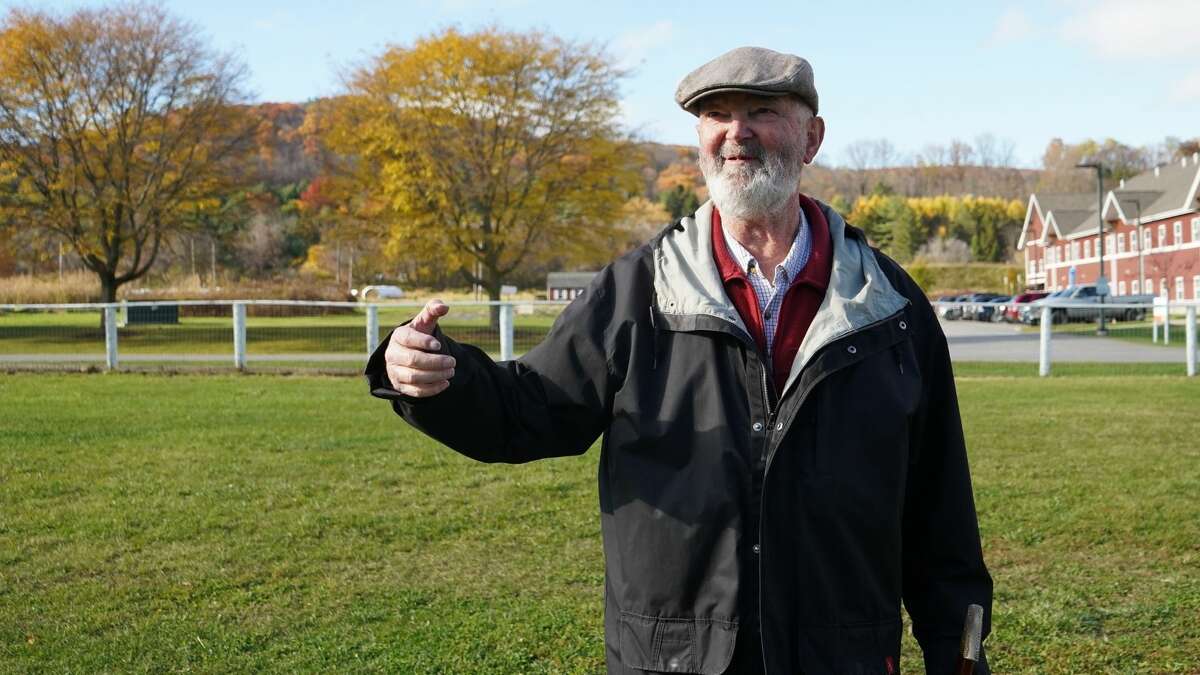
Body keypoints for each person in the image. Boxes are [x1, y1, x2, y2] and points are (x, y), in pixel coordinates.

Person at [366, 46, 992, 675]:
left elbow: (941, 508)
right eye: (715, 114)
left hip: (842, 655)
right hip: (674, 659)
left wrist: (960, 656)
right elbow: (528, 409)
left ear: (813, 138)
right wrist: (434, 375)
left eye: (762, 111)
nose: (736, 132)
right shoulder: (638, 291)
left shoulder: (887, 303)